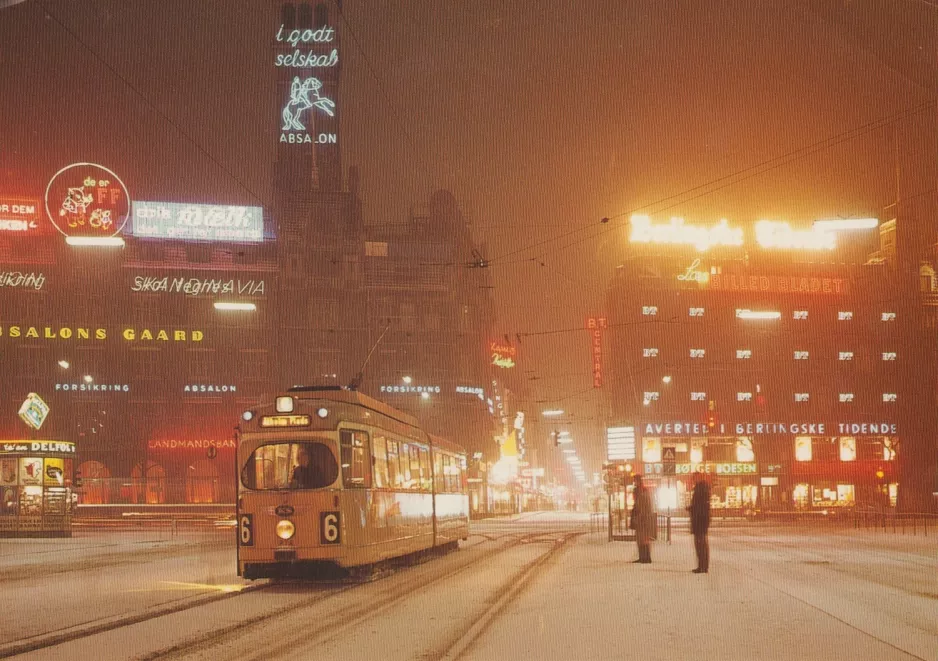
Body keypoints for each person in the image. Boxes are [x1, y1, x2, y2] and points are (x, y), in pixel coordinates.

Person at [688, 473, 711, 573]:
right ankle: (702, 566)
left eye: (694, 478)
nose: (693, 480)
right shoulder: (702, 489)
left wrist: (692, 509)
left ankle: (702, 566)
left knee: (700, 543)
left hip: (700, 519)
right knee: (701, 543)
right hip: (701, 519)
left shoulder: (700, 489)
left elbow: (700, 506)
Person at [630, 474, 654, 564]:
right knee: (640, 538)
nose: (634, 482)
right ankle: (642, 557)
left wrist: (643, 515)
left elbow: (645, 505)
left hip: (643, 517)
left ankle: (646, 557)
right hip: (639, 517)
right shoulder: (638, 490)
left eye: (635, 480)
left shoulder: (643, 491)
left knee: (644, 538)